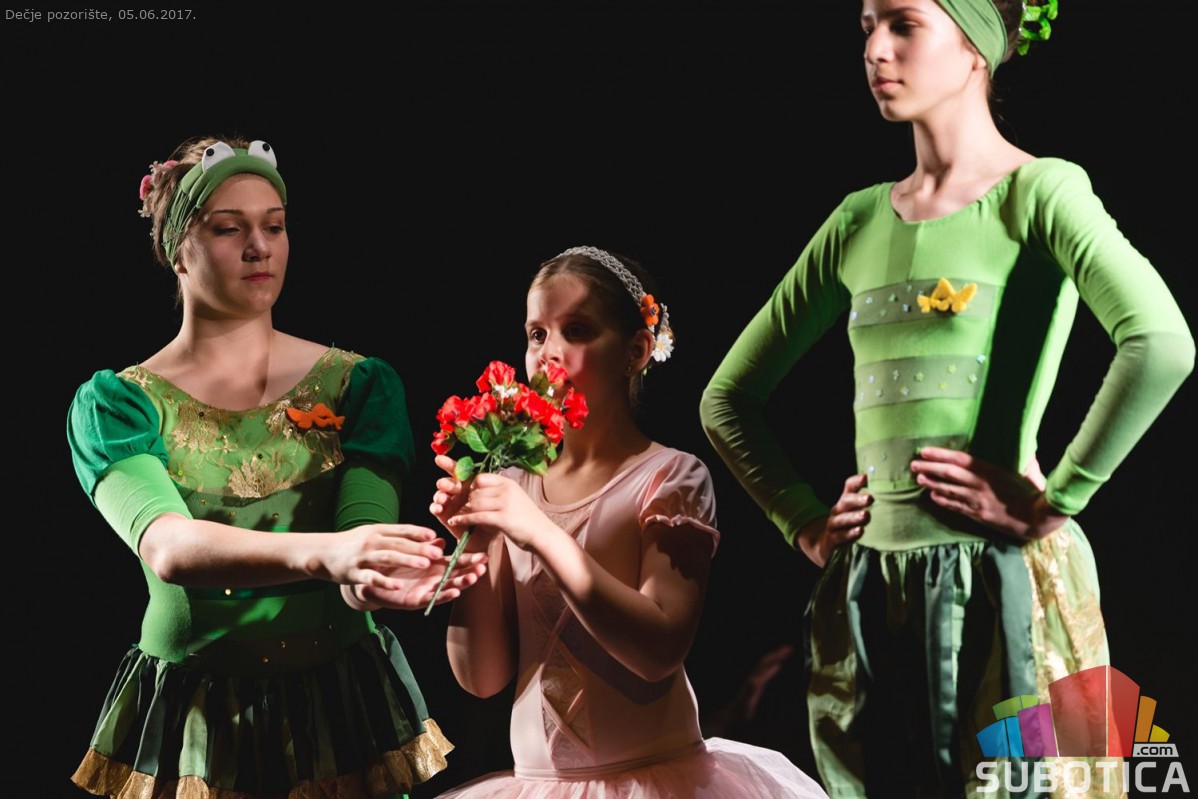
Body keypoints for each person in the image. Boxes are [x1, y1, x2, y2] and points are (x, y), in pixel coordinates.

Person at [698, 2, 1194, 797]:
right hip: (871, 595)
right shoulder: (858, 220)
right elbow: (726, 399)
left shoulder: (1039, 192)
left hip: (1002, 587)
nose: (875, 49)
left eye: (903, 24)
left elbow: (1161, 341)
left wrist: (1056, 501)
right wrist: (805, 521)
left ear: (976, 49)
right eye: (867, 25)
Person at [67, 134, 487, 798]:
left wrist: (375, 574)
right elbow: (170, 547)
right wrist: (332, 555)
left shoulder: (358, 386)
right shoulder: (119, 404)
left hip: (339, 710)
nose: (259, 246)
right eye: (229, 228)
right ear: (178, 249)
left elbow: (358, 550)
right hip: (197, 719)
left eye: (275, 226)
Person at [427, 246, 830, 798]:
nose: (550, 353)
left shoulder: (670, 477)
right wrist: (474, 547)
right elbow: (481, 679)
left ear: (635, 351)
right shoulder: (515, 486)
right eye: (537, 334)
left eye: (577, 330)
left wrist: (538, 531)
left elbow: (658, 651)